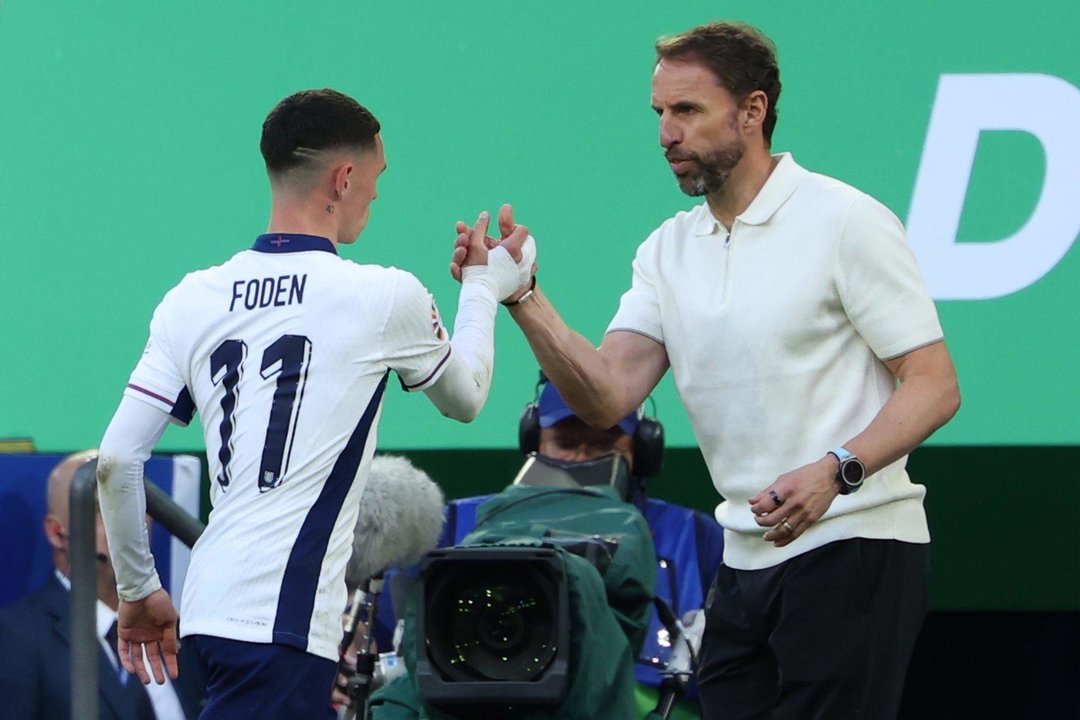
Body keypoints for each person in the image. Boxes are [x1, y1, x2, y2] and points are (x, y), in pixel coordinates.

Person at [454, 21, 961, 720]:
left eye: (686, 111)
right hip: (744, 562)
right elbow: (607, 396)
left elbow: (935, 384)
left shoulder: (845, 220)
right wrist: (522, 296)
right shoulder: (666, 250)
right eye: (659, 113)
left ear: (752, 112)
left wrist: (836, 469)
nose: (666, 133)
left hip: (857, 544)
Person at [95, 88, 535, 720]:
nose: (378, 195)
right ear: (346, 176)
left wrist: (138, 590)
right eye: (378, 178)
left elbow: (115, 459)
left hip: (209, 612)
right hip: (285, 622)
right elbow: (465, 398)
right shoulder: (383, 295)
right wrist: (485, 286)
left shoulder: (190, 298)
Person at [0, 451, 206, 720]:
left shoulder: (181, 627)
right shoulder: (17, 636)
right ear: (56, 532)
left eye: (137, 504)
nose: (130, 521)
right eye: (103, 508)